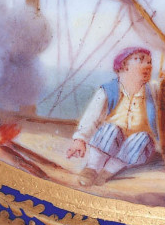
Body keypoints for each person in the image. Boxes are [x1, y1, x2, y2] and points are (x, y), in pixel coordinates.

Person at [66, 47, 160, 187]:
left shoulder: (153, 90)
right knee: (110, 129)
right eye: (141, 60)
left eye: (150, 62)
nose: (148, 65)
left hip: (135, 148)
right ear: (124, 66)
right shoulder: (108, 90)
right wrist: (80, 139)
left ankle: (108, 172)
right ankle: (92, 168)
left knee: (143, 138)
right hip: (110, 142)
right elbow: (92, 116)